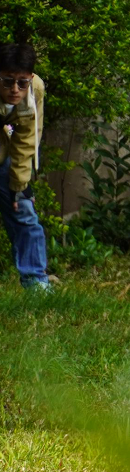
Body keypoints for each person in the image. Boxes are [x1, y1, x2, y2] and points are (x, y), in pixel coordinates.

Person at [0, 44, 50, 294]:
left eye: (22, 83)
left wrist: (19, 188)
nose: (15, 90)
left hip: (5, 151)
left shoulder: (35, 90)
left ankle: (36, 282)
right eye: (7, 82)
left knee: (24, 211)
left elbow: (27, 139)